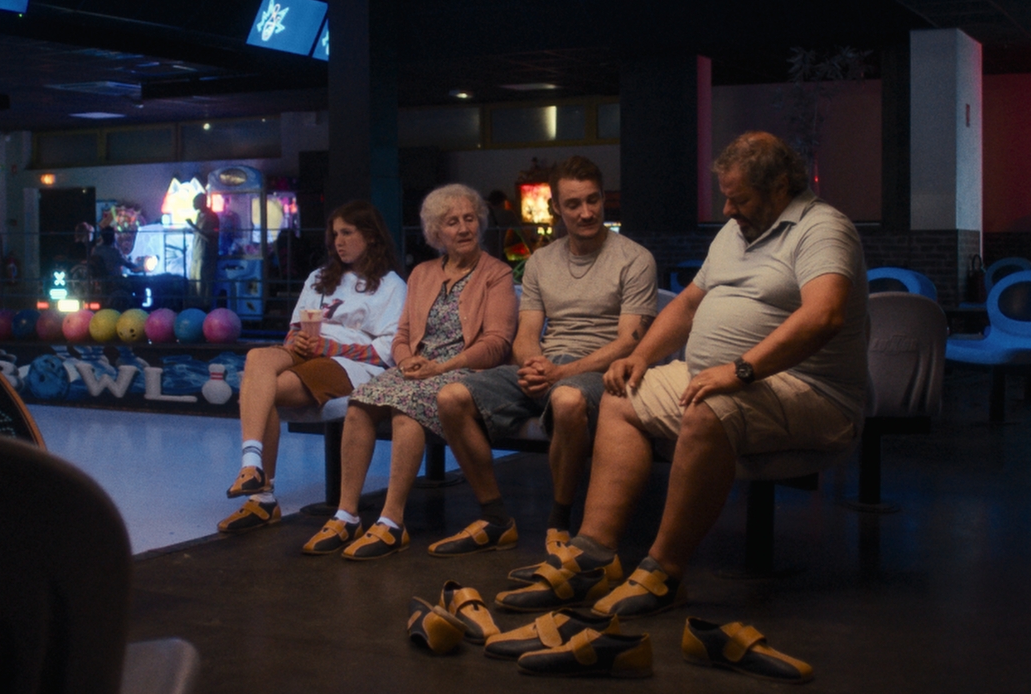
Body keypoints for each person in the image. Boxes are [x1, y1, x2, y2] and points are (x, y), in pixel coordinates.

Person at [495, 131, 866, 641]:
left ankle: (663, 573)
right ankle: (595, 555)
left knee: (709, 410)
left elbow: (824, 316)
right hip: (714, 375)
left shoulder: (822, 229)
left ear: (781, 187)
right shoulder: (736, 231)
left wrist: (741, 369)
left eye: (739, 198)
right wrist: (639, 357)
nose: (727, 208)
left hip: (806, 389)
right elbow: (689, 303)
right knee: (621, 396)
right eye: (725, 196)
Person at [429, 156, 656, 559]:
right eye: (573, 204)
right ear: (555, 208)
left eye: (593, 200)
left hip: (598, 370)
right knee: (450, 397)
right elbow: (527, 334)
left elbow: (628, 344)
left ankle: (559, 521)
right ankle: (495, 517)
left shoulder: (634, 259)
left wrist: (561, 372)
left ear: (603, 199)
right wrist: (534, 364)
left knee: (567, 400)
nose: (586, 212)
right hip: (548, 366)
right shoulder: (540, 261)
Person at [302, 183, 517, 561]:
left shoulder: (496, 274)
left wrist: (442, 366)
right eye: (452, 222)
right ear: (436, 232)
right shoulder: (422, 273)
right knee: (361, 402)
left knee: (407, 409)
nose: (463, 228)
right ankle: (346, 514)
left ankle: (391, 521)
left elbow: (497, 344)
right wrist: (404, 361)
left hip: (466, 368)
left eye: (469, 219)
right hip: (419, 368)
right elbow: (401, 336)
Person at [219, 201, 405, 532]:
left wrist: (331, 347)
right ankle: (251, 465)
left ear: (371, 235)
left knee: (265, 392)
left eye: (347, 233)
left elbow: (387, 351)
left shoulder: (391, 285)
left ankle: (263, 498)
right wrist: (298, 341)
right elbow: (294, 328)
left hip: (348, 363)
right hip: (310, 350)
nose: (339, 242)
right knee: (257, 359)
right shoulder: (319, 278)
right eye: (335, 234)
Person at [189, 192, 221, 307]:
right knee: (193, 282)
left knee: (203, 283)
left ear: (202, 202)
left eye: (195, 202)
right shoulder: (199, 215)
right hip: (196, 253)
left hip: (205, 254)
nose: (193, 204)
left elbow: (210, 236)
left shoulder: (211, 216)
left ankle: (204, 307)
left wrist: (193, 227)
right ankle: (195, 306)